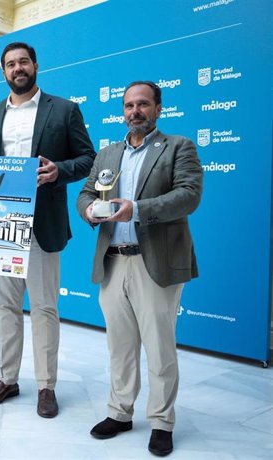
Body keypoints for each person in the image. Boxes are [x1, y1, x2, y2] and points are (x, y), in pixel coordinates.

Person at [77, 81, 203, 456]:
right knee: (120, 346)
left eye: (143, 104)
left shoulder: (179, 147)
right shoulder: (108, 153)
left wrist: (139, 209)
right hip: (114, 260)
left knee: (160, 347)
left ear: (158, 108)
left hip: (156, 263)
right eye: (129, 105)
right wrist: (86, 209)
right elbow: (86, 191)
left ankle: (162, 421)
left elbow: (189, 195)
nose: (135, 111)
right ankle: (120, 412)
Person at [0, 42, 95, 418]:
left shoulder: (64, 110)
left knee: (44, 308)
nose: (18, 68)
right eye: (10, 64)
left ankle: (46, 386)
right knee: (5, 306)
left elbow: (88, 159)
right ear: (4, 71)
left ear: (35, 65)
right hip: (1, 226)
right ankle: (8, 379)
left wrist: (60, 171)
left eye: (23, 61)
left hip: (43, 224)